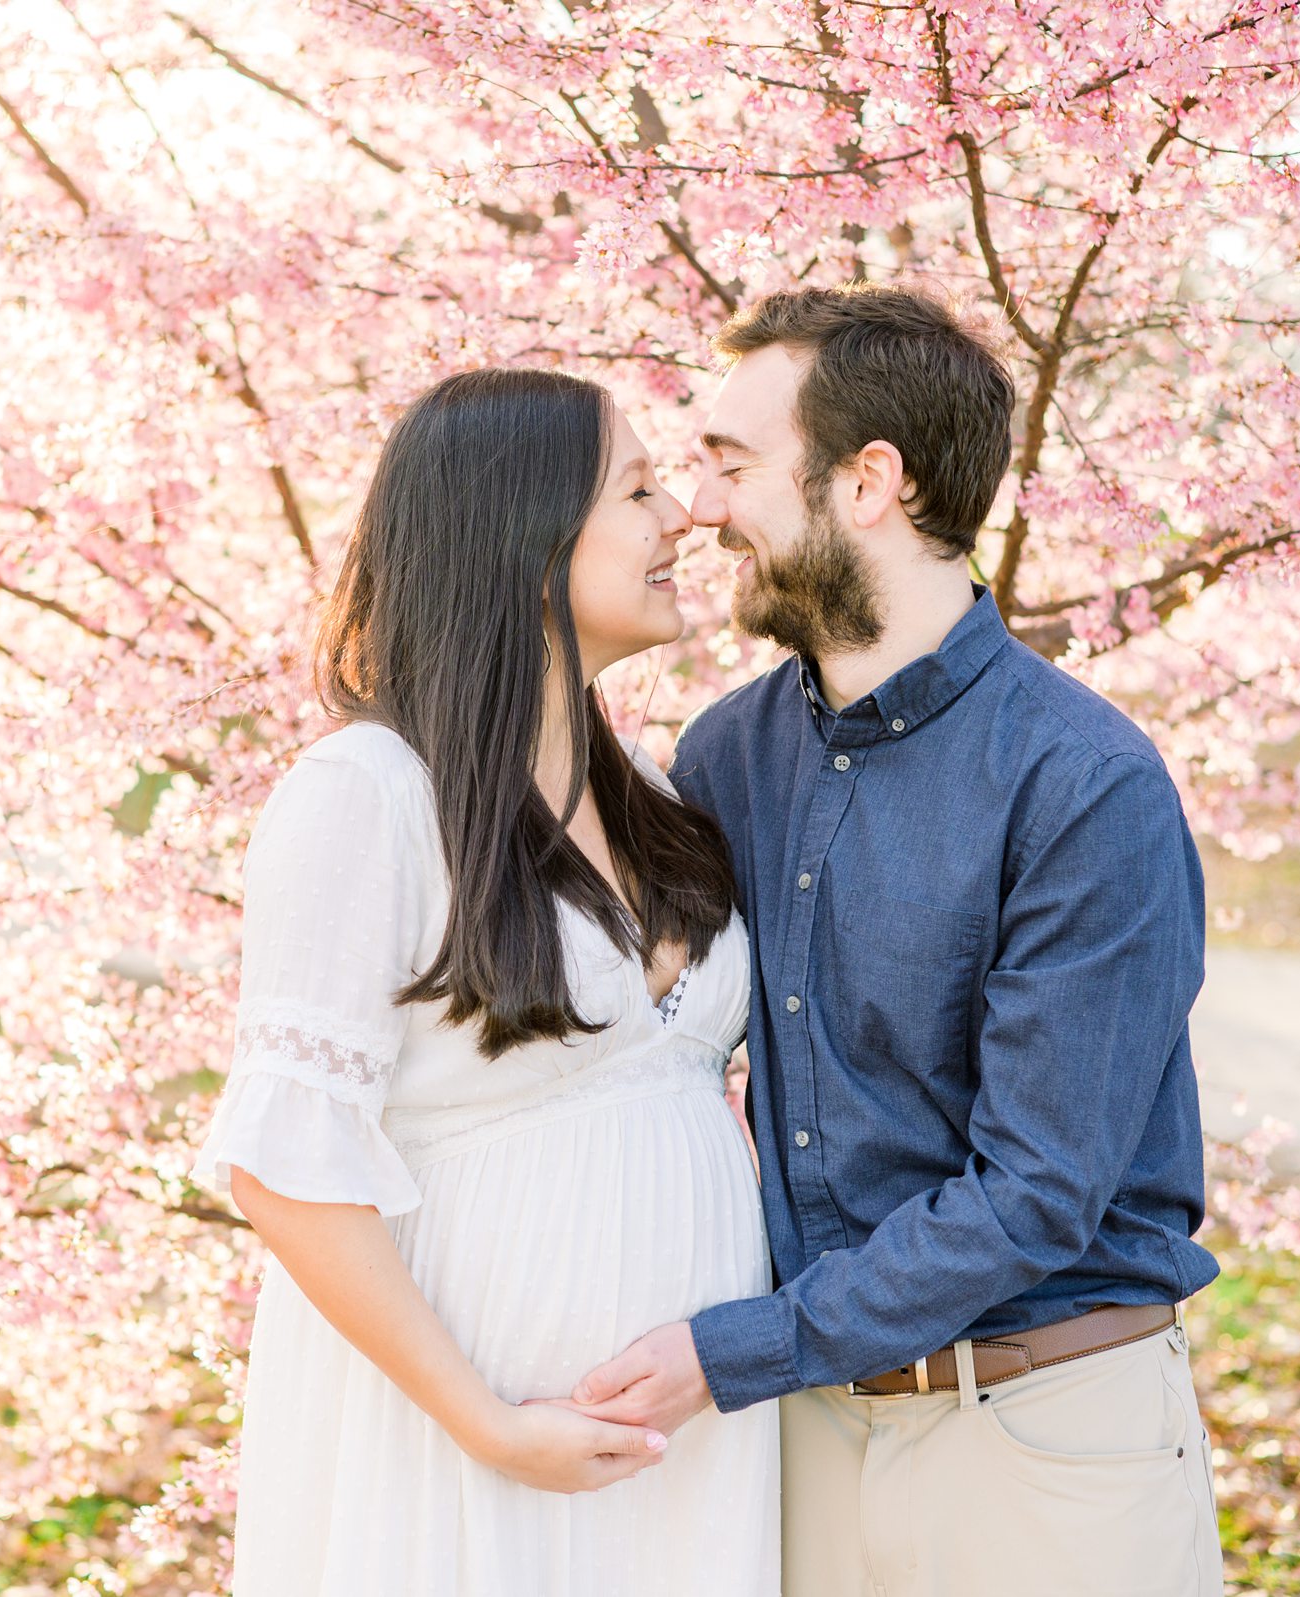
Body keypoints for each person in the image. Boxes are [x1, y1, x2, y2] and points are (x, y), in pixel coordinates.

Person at [564, 285, 1226, 1597]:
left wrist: (732, 1351)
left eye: (734, 466)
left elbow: (1039, 1187)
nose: (700, 511)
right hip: (800, 1436)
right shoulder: (728, 756)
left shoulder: (1084, 783)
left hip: (1044, 1436)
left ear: (870, 482)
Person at [190, 368, 780, 1596]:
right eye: (637, 488)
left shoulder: (664, 799)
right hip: (471, 1442)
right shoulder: (368, 795)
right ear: (521, 534)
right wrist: (489, 1424)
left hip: (685, 1438)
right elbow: (286, 1169)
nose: (683, 515)